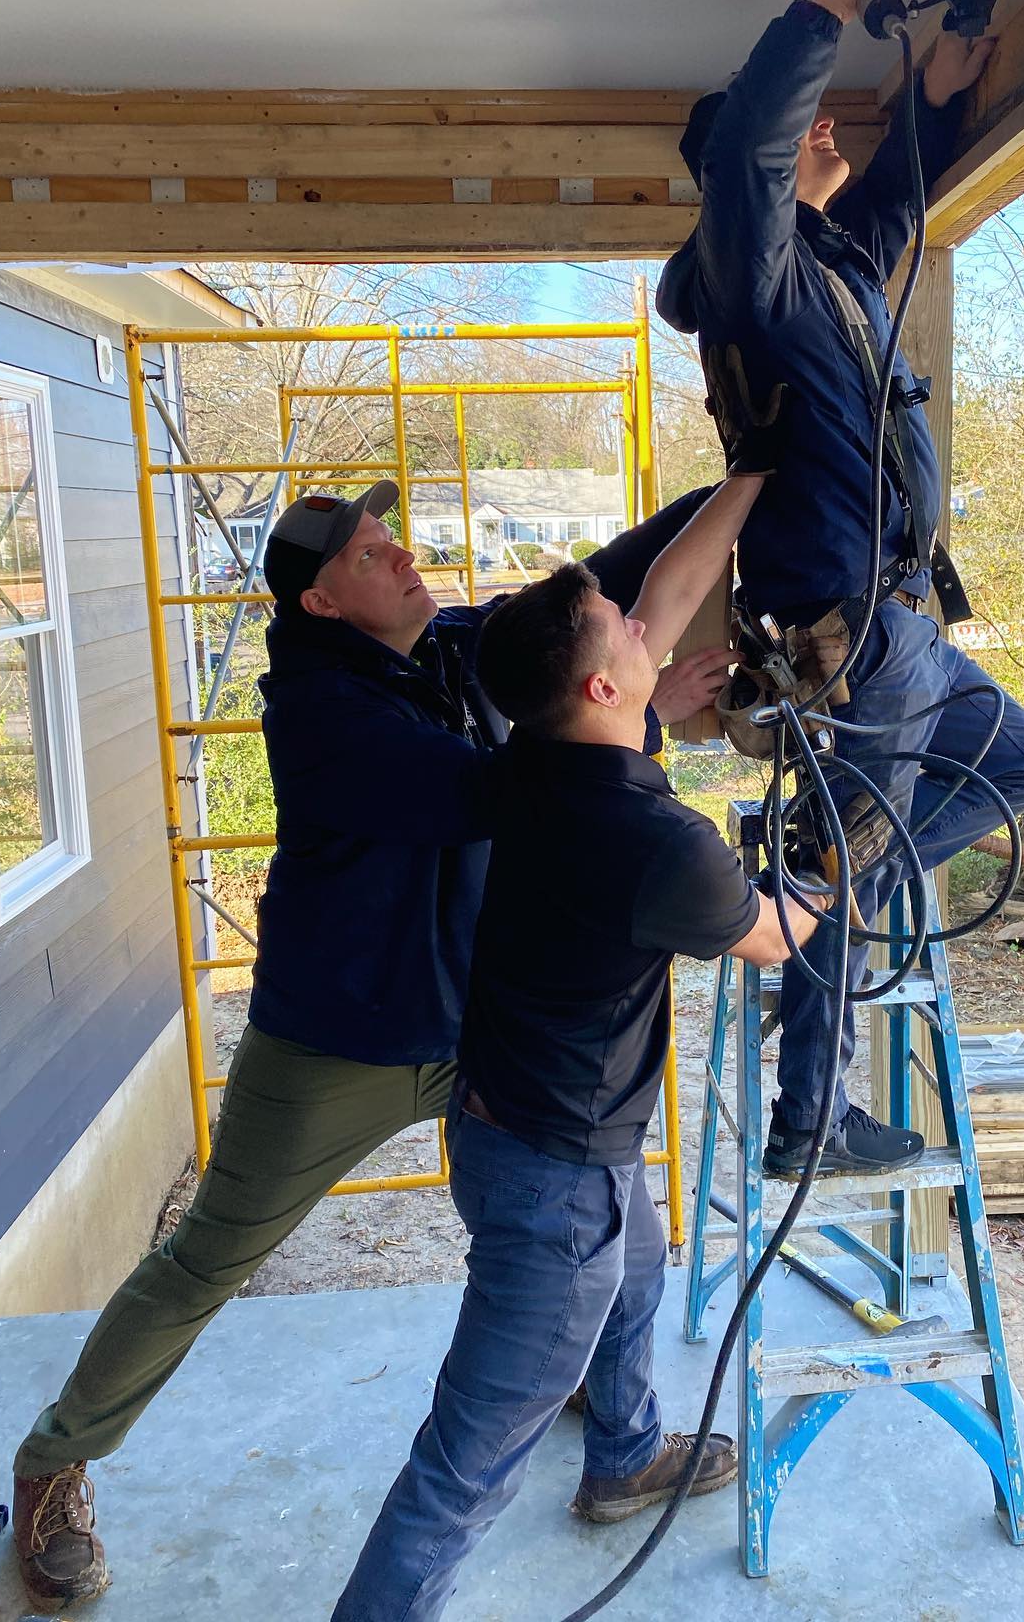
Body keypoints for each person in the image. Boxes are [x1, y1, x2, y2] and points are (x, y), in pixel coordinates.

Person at [10, 478, 732, 1606]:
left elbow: (597, 590)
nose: (401, 559)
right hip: (335, 1044)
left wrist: (742, 473)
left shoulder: (446, 645)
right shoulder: (320, 718)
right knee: (207, 1261)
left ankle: (625, 1444)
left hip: (477, 1028)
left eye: (392, 539)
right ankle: (55, 1458)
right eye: (368, 555)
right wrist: (628, 720)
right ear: (323, 605)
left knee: (622, 1234)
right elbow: (505, 790)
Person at [333, 479, 823, 1621]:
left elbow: (669, 593)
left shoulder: (531, 761)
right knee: (463, 1467)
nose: (652, 630)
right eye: (628, 636)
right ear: (605, 685)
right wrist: (836, 875)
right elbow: (768, 938)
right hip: (555, 1186)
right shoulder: (664, 846)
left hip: (524, 1132)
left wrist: (752, 477)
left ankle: (622, 1459)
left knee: (640, 1276)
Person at [656, 0, 1024, 1177]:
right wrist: (827, 6)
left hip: (891, 624)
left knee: (1014, 763)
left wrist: (940, 81)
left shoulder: (830, 269)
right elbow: (744, 162)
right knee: (876, 839)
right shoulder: (754, 286)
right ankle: (811, 1118)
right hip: (849, 624)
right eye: (806, 128)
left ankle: (829, 889)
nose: (828, 128)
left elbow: (902, 191)